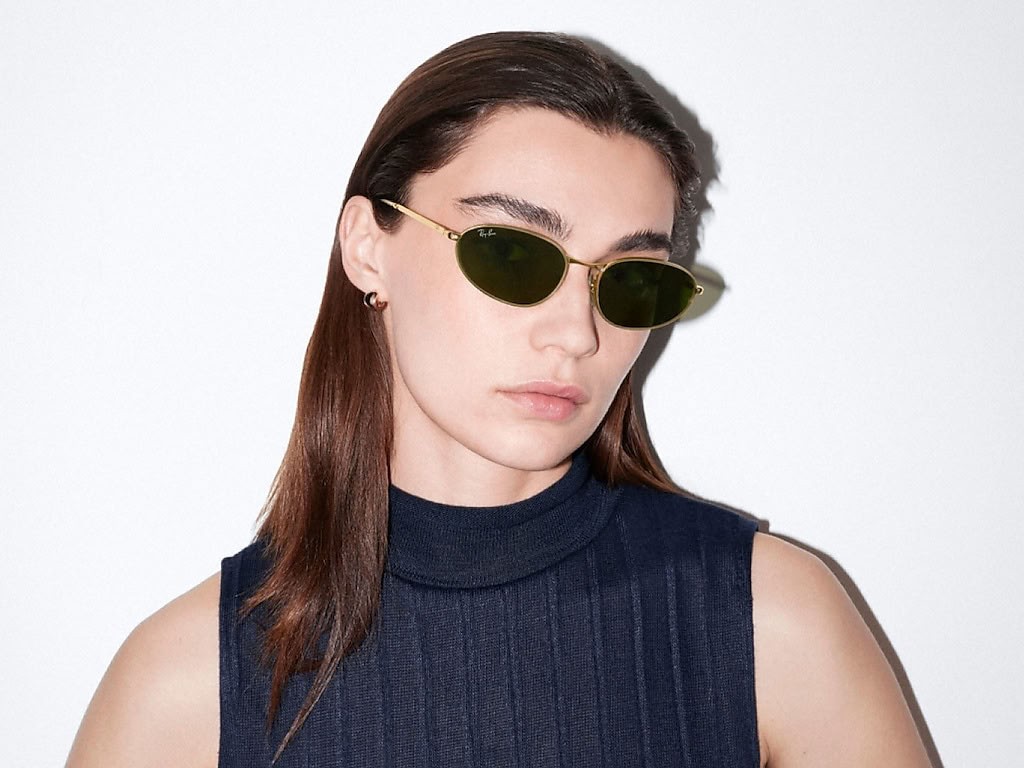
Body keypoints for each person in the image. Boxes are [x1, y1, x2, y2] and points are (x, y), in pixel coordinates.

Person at [67, 31, 932, 768]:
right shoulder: (186, 686)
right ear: (368, 247)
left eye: (630, 280)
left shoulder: (769, 624)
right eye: (512, 254)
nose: (577, 333)